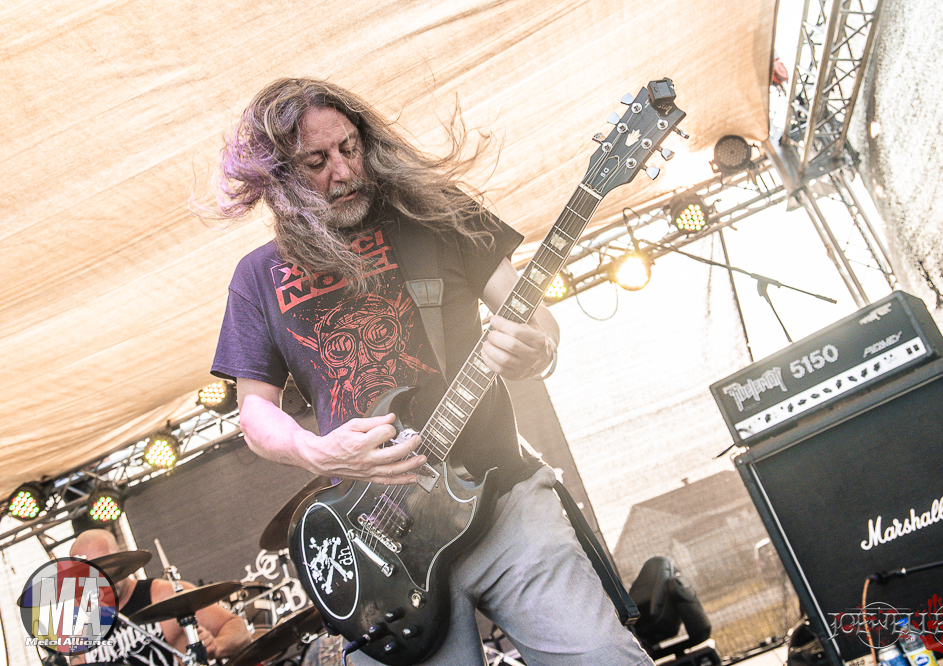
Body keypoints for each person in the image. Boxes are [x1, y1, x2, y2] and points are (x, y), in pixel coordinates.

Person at [208, 77, 653, 665]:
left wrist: (538, 350)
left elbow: (533, 315)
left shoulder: (436, 212)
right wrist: (316, 452)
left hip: (501, 499)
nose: (343, 171)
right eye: (316, 162)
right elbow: (255, 412)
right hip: (382, 546)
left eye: (349, 148)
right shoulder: (257, 277)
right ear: (278, 179)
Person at [69, 529, 251, 666]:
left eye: (105, 568)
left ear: (122, 561)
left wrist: (216, 646)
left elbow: (238, 628)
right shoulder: (83, 641)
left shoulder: (163, 594)